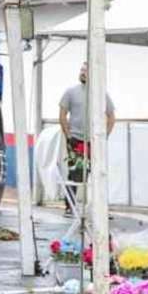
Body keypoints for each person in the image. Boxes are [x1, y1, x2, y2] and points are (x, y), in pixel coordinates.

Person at [56, 62, 115, 208]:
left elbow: (111, 116)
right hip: (76, 140)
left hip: (94, 142)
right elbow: (62, 115)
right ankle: (70, 207)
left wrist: (104, 137)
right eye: (81, 70)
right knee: (75, 173)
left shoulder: (101, 94)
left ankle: (100, 208)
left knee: (97, 173)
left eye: (86, 71)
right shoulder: (70, 92)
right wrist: (68, 135)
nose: (82, 73)